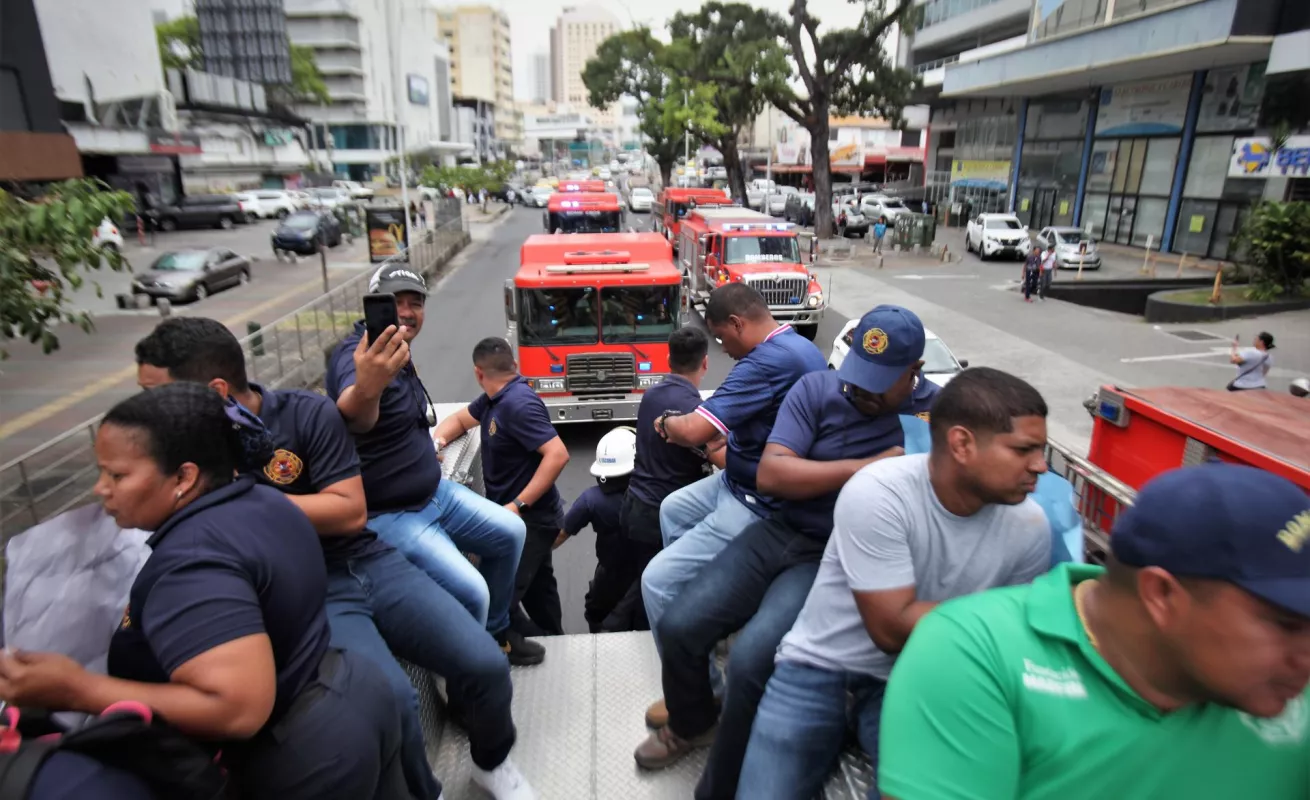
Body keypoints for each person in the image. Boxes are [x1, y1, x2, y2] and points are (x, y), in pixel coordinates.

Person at [134, 318, 533, 800]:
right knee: (394, 701)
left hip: (369, 558)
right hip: (305, 587)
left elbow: (347, 512)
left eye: (155, 394)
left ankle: (492, 762)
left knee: (485, 663)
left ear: (215, 389)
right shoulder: (182, 458)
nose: (145, 411)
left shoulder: (303, 415)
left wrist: (239, 504)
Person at [0, 383, 405, 799]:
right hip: (350, 693)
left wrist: (76, 690)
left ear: (183, 476)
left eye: (117, 475)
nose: (100, 489)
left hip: (302, 757)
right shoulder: (263, 500)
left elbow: (237, 709)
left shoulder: (192, 563)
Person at [637, 306, 939, 793]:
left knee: (752, 658)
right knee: (680, 624)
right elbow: (774, 474)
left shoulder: (932, 410)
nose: (859, 389)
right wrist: (871, 466)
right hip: (778, 528)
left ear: (912, 373)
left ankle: (720, 784)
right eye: (857, 373)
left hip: (832, 554)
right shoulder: (818, 388)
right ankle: (695, 722)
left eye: (877, 381)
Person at [879, 464, 1310, 800]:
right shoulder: (974, 655)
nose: (1304, 655)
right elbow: (888, 619)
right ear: (1161, 595)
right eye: (1286, 625)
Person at [735, 367, 1054, 799]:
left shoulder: (1031, 527)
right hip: (820, 666)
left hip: (925, 677)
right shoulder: (879, 493)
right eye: (1024, 450)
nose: (1041, 466)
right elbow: (890, 629)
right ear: (961, 443)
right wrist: (1002, 619)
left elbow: (1010, 644)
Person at [325, 265, 543, 665]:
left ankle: (495, 635)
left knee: (512, 531)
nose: (407, 312)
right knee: (472, 590)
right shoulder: (359, 353)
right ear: (375, 306)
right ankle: (468, 682)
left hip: (434, 490)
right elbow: (354, 411)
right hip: (393, 512)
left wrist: (430, 443)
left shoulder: (399, 352)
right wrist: (367, 388)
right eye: (396, 303)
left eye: (416, 303)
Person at [643, 283, 826, 728]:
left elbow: (692, 431)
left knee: (657, 582)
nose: (723, 350)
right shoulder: (799, 346)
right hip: (735, 478)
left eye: (723, 339)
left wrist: (665, 423)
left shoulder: (766, 362)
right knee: (673, 509)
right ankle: (706, 619)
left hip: (757, 501)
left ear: (739, 324)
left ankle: (701, 690)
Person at [433, 337, 571, 638]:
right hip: (519, 518)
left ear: (477, 373)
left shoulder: (518, 404)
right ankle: (553, 638)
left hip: (530, 520)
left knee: (499, 598)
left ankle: (517, 649)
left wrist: (517, 506)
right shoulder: (494, 400)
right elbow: (458, 420)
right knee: (538, 588)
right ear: (515, 366)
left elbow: (558, 454)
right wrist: (437, 442)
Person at [606, 326, 717, 633]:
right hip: (663, 516)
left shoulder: (650, 395)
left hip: (635, 505)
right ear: (705, 363)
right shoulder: (696, 410)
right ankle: (636, 638)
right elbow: (715, 455)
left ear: (668, 359)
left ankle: (615, 625)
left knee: (639, 579)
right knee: (657, 590)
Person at [555, 426, 634, 632]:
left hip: (610, 572)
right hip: (646, 570)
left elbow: (561, 534)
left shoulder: (591, 500)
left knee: (595, 610)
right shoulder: (651, 494)